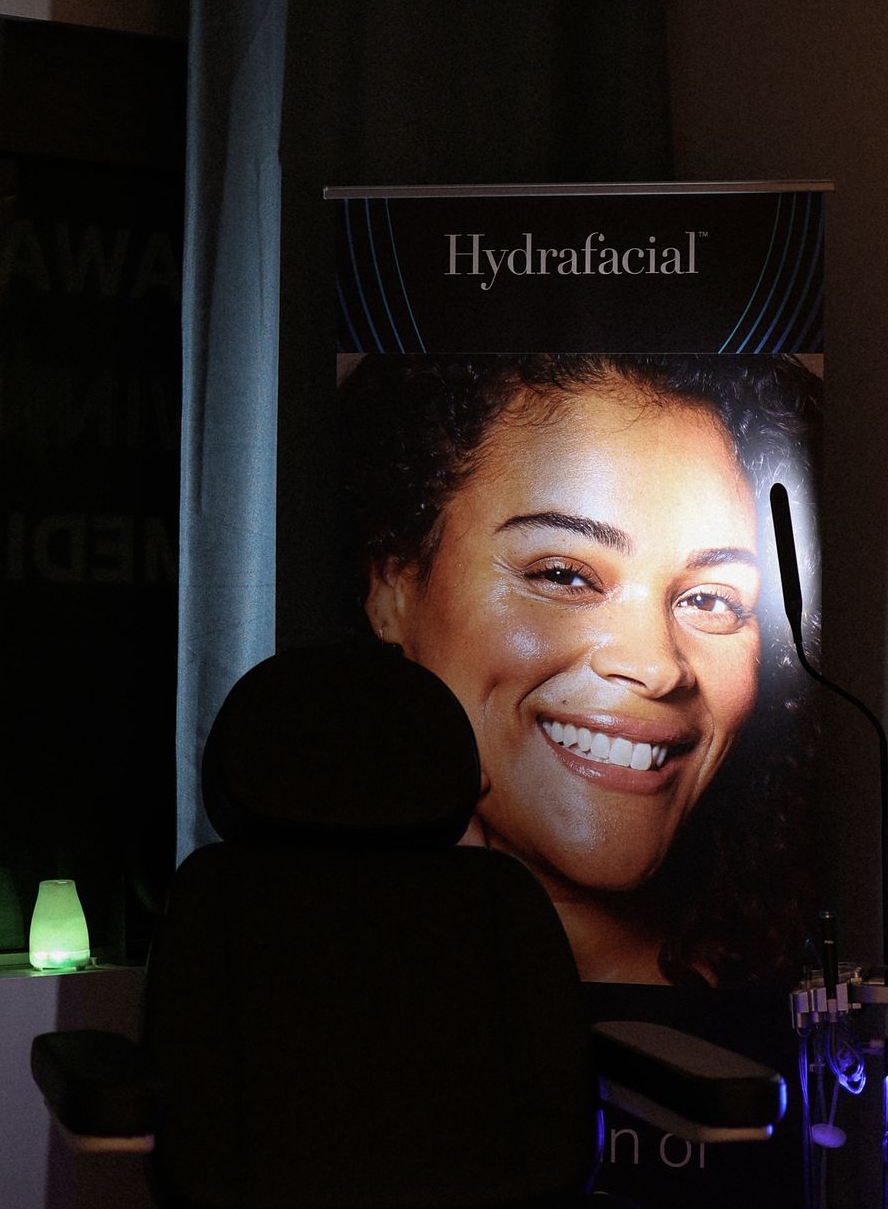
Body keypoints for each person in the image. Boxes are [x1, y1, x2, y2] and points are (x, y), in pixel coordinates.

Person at [336, 351, 819, 985]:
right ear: (393, 589)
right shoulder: (285, 976)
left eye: (709, 599)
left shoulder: (797, 996)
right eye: (563, 575)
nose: (655, 666)